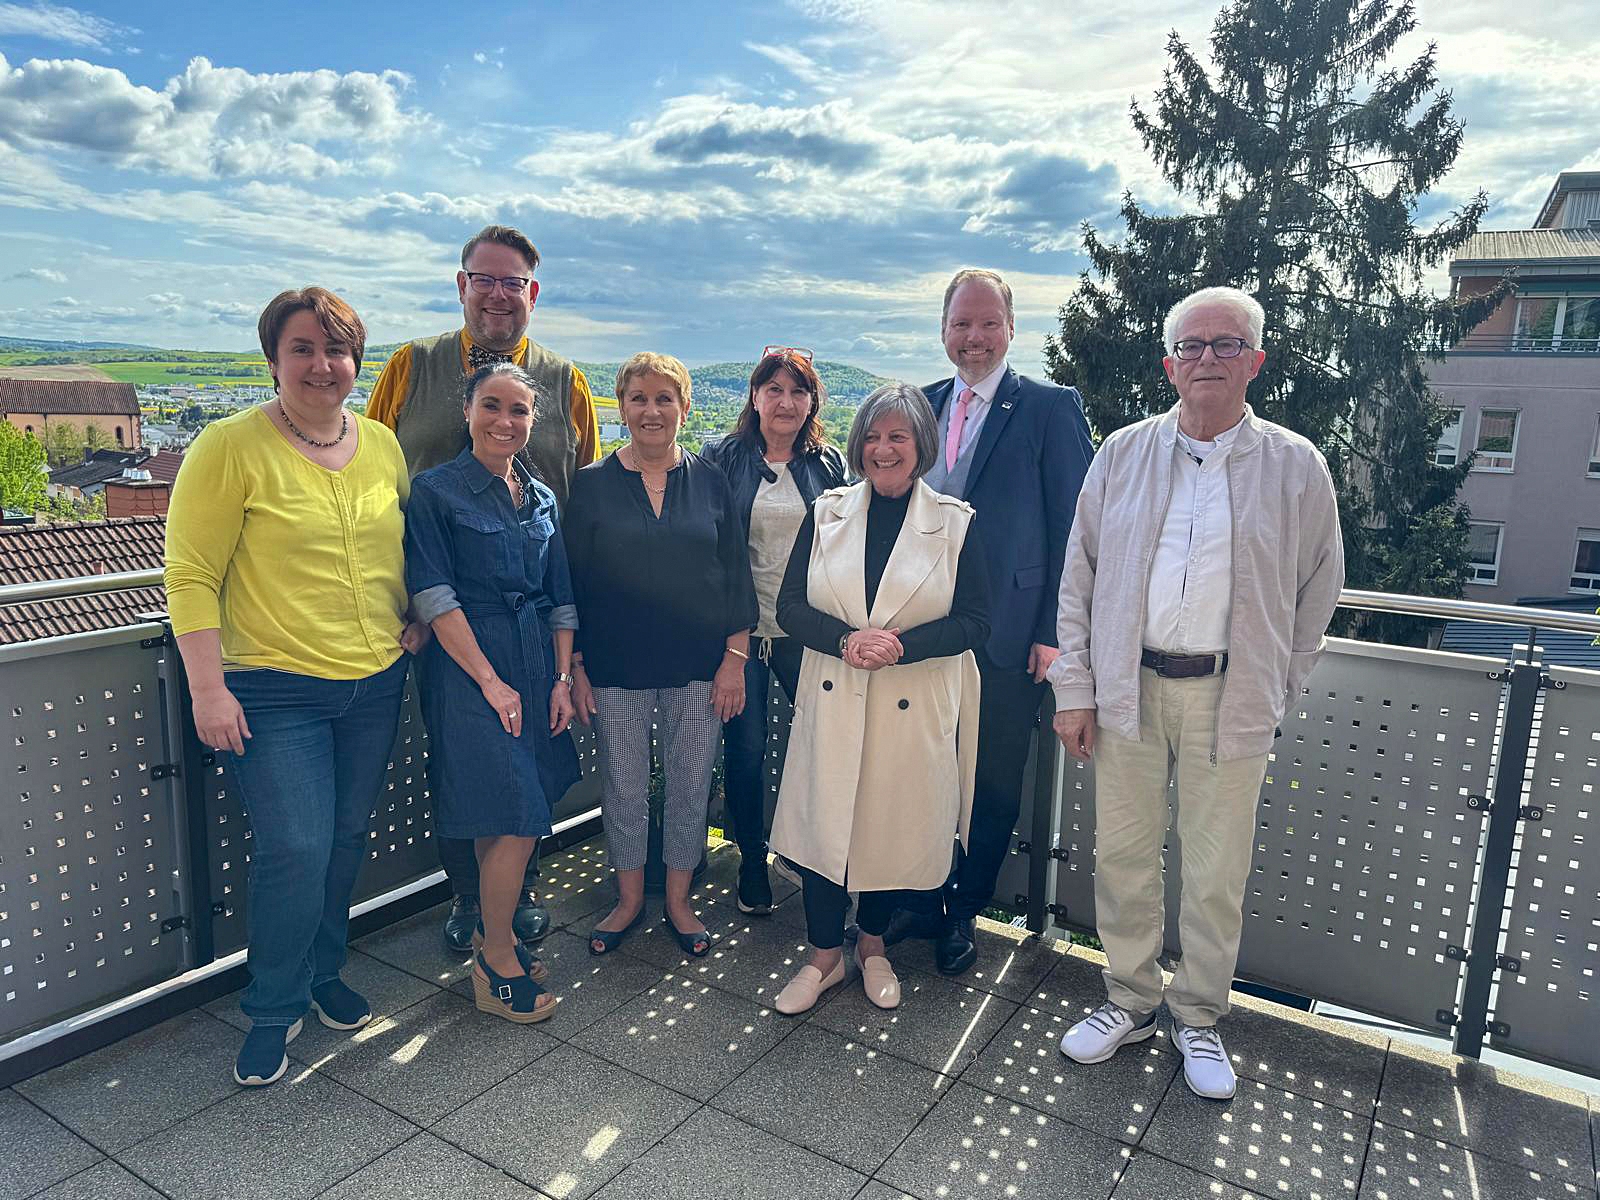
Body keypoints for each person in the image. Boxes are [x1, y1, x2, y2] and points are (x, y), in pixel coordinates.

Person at [1049, 286, 1344, 1100]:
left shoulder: (1295, 464)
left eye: (1225, 345)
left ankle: (1200, 1017)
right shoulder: (1122, 454)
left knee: (1216, 871)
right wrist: (1074, 687)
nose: (1207, 359)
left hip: (1231, 693)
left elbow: (1320, 589)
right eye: (1192, 346)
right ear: (1168, 361)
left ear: (1256, 359)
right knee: (1124, 856)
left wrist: (1279, 683)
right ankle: (1131, 1001)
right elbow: (1079, 575)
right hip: (1128, 688)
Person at [166, 288, 427, 1086]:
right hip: (273, 690)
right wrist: (208, 690)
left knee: (344, 840)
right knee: (295, 847)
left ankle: (322, 975)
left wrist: (415, 614)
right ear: (273, 359)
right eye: (304, 349)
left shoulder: (380, 442)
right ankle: (272, 1006)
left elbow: (406, 542)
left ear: (357, 361)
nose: (323, 365)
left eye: (337, 350)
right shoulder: (229, 446)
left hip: (375, 681)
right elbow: (191, 574)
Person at [368, 224, 601, 954]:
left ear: (533, 293)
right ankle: (470, 901)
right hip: (440, 617)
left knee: (529, 757)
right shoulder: (411, 366)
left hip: (536, 613)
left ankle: (515, 892)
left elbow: (585, 501)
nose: (498, 293)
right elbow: (372, 483)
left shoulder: (568, 384)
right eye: (485, 278)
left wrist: (576, 647)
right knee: (461, 759)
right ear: (461, 284)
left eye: (513, 282)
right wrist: (406, 606)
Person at [889, 268, 1095, 976]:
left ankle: (962, 913)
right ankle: (919, 896)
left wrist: (1055, 634)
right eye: (960, 325)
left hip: (1010, 636)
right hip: (925, 635)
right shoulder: (925, 403)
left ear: (1011, 328)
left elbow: (1073, 527)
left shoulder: (1048, 406)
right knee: (923, 774)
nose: (973, 339)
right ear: (942, 330)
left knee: (993, 783)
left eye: (986, 324)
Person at [767, 383, 990, 1015]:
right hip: (835, 692)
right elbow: (788, 608)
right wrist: (845, 640)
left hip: (911, 700)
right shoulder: (827, 512)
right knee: (822, 827)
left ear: (920, 444)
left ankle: (873, 949)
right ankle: (821, 960)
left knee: (889, 826)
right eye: (871, 435)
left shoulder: (954, 522)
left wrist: (899, 645)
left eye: (897, 436)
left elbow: (977, 621)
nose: (882, 448)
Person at [564, 353, 758, 958]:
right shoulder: (592, 485)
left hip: (699, 668)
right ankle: (626, 902)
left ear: (685, 408)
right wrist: (574, 669)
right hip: (615, 669)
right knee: (621, 787)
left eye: (664, 399)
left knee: (690, 785)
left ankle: (678, 901)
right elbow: (571, 585)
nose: (652, 410)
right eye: (639, 398)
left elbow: (736, 579)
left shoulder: (711, 480)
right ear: (620, 407)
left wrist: (734, 659)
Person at [404, 363, 582, 1023]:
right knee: (514, 814)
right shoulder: (437, 492)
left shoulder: (540, 496)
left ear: (533, 422)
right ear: (469, 410)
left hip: (536, 665)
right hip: (469, 668)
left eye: (519, 411)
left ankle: (488, 935)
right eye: (492, 407)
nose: (505, 421)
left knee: (501, 810)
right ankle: (496, 958)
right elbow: (433, 595)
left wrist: (562, 680)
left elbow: (561, 596)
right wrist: (489, 681)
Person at [700, 347, 847, 915]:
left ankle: (809, 854)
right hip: (740, 634)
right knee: (745, 749)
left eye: (798, 391)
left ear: (812, 402)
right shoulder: (721, 459)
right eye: (774, 390)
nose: (786, 402)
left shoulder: (829, 464)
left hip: (805, 634)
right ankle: (752, 860)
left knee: (819, 744)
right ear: (755, 397)